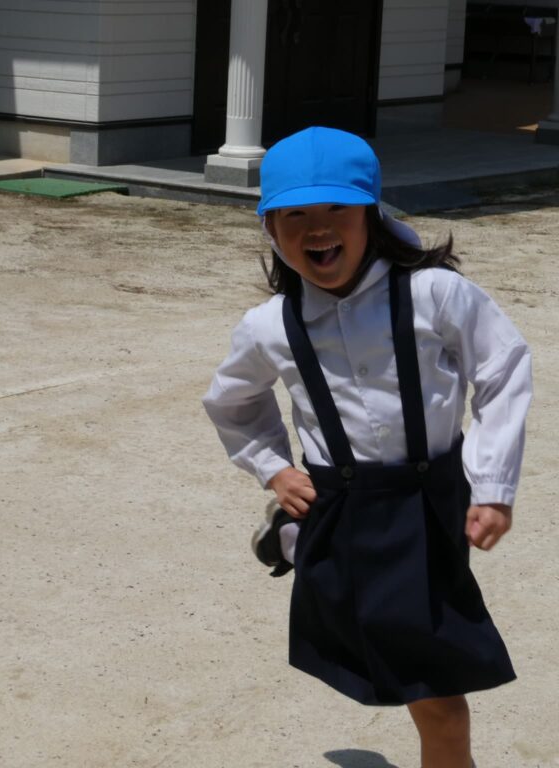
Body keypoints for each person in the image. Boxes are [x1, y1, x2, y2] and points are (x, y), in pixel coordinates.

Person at [202, 126, 531, 768]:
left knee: (429, 668)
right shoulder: (270, 326)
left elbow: (502, 369)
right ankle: (302, 537)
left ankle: (297, 543)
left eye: (337, 209)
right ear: (270, 229)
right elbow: (231, 402)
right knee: (396, 655)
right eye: (295, 215)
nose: (317, 228)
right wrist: (273, 468)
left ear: (371, 215)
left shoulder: (434, 293)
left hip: (428, 499)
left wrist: (492, 486)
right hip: (343, 497)